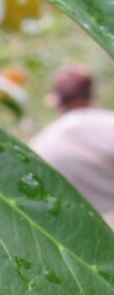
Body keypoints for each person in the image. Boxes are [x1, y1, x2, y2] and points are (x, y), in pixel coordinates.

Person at [30, 65, 114, 227]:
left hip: (90, 234)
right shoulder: (109, 124)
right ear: (91, 94)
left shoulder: (40, 146)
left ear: (57, 102)